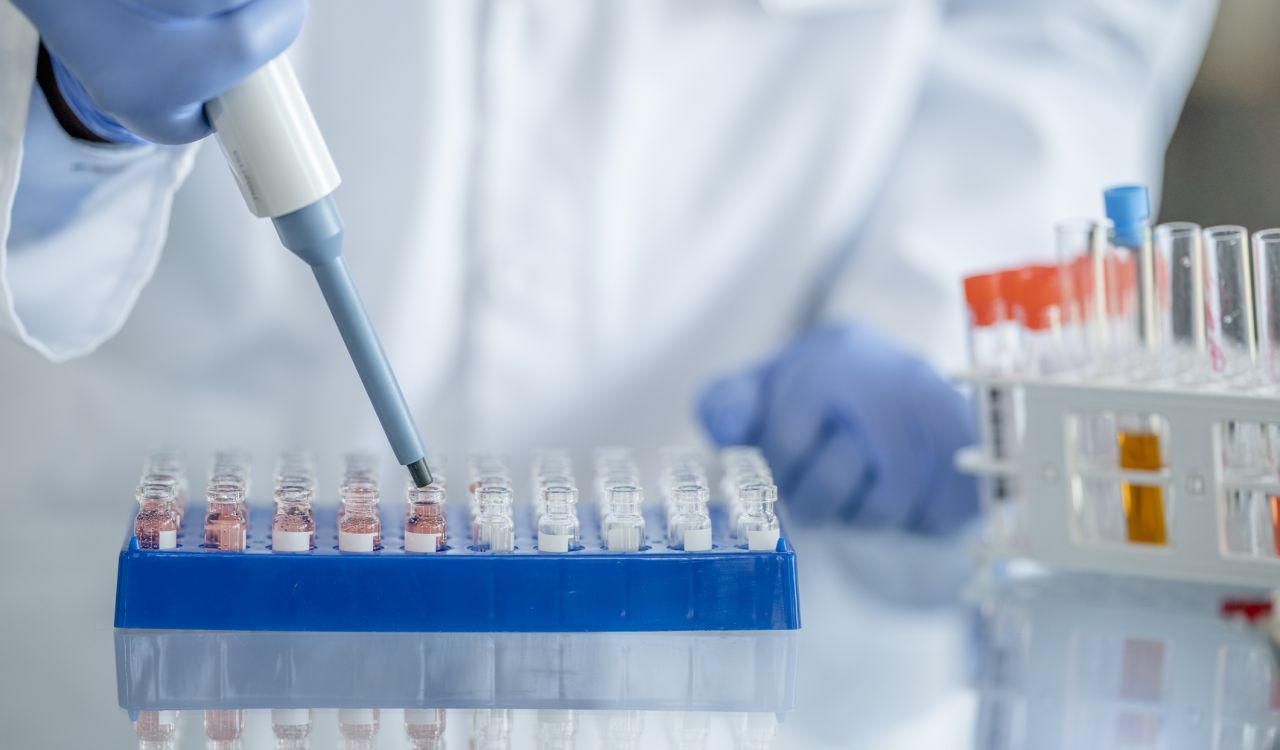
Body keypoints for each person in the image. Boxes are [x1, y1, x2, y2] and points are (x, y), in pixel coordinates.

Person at [0, 0, 1215, 532]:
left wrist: (948, 304)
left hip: (772, 633)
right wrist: (74, 103)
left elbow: (1063, 21)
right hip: (168, 539)